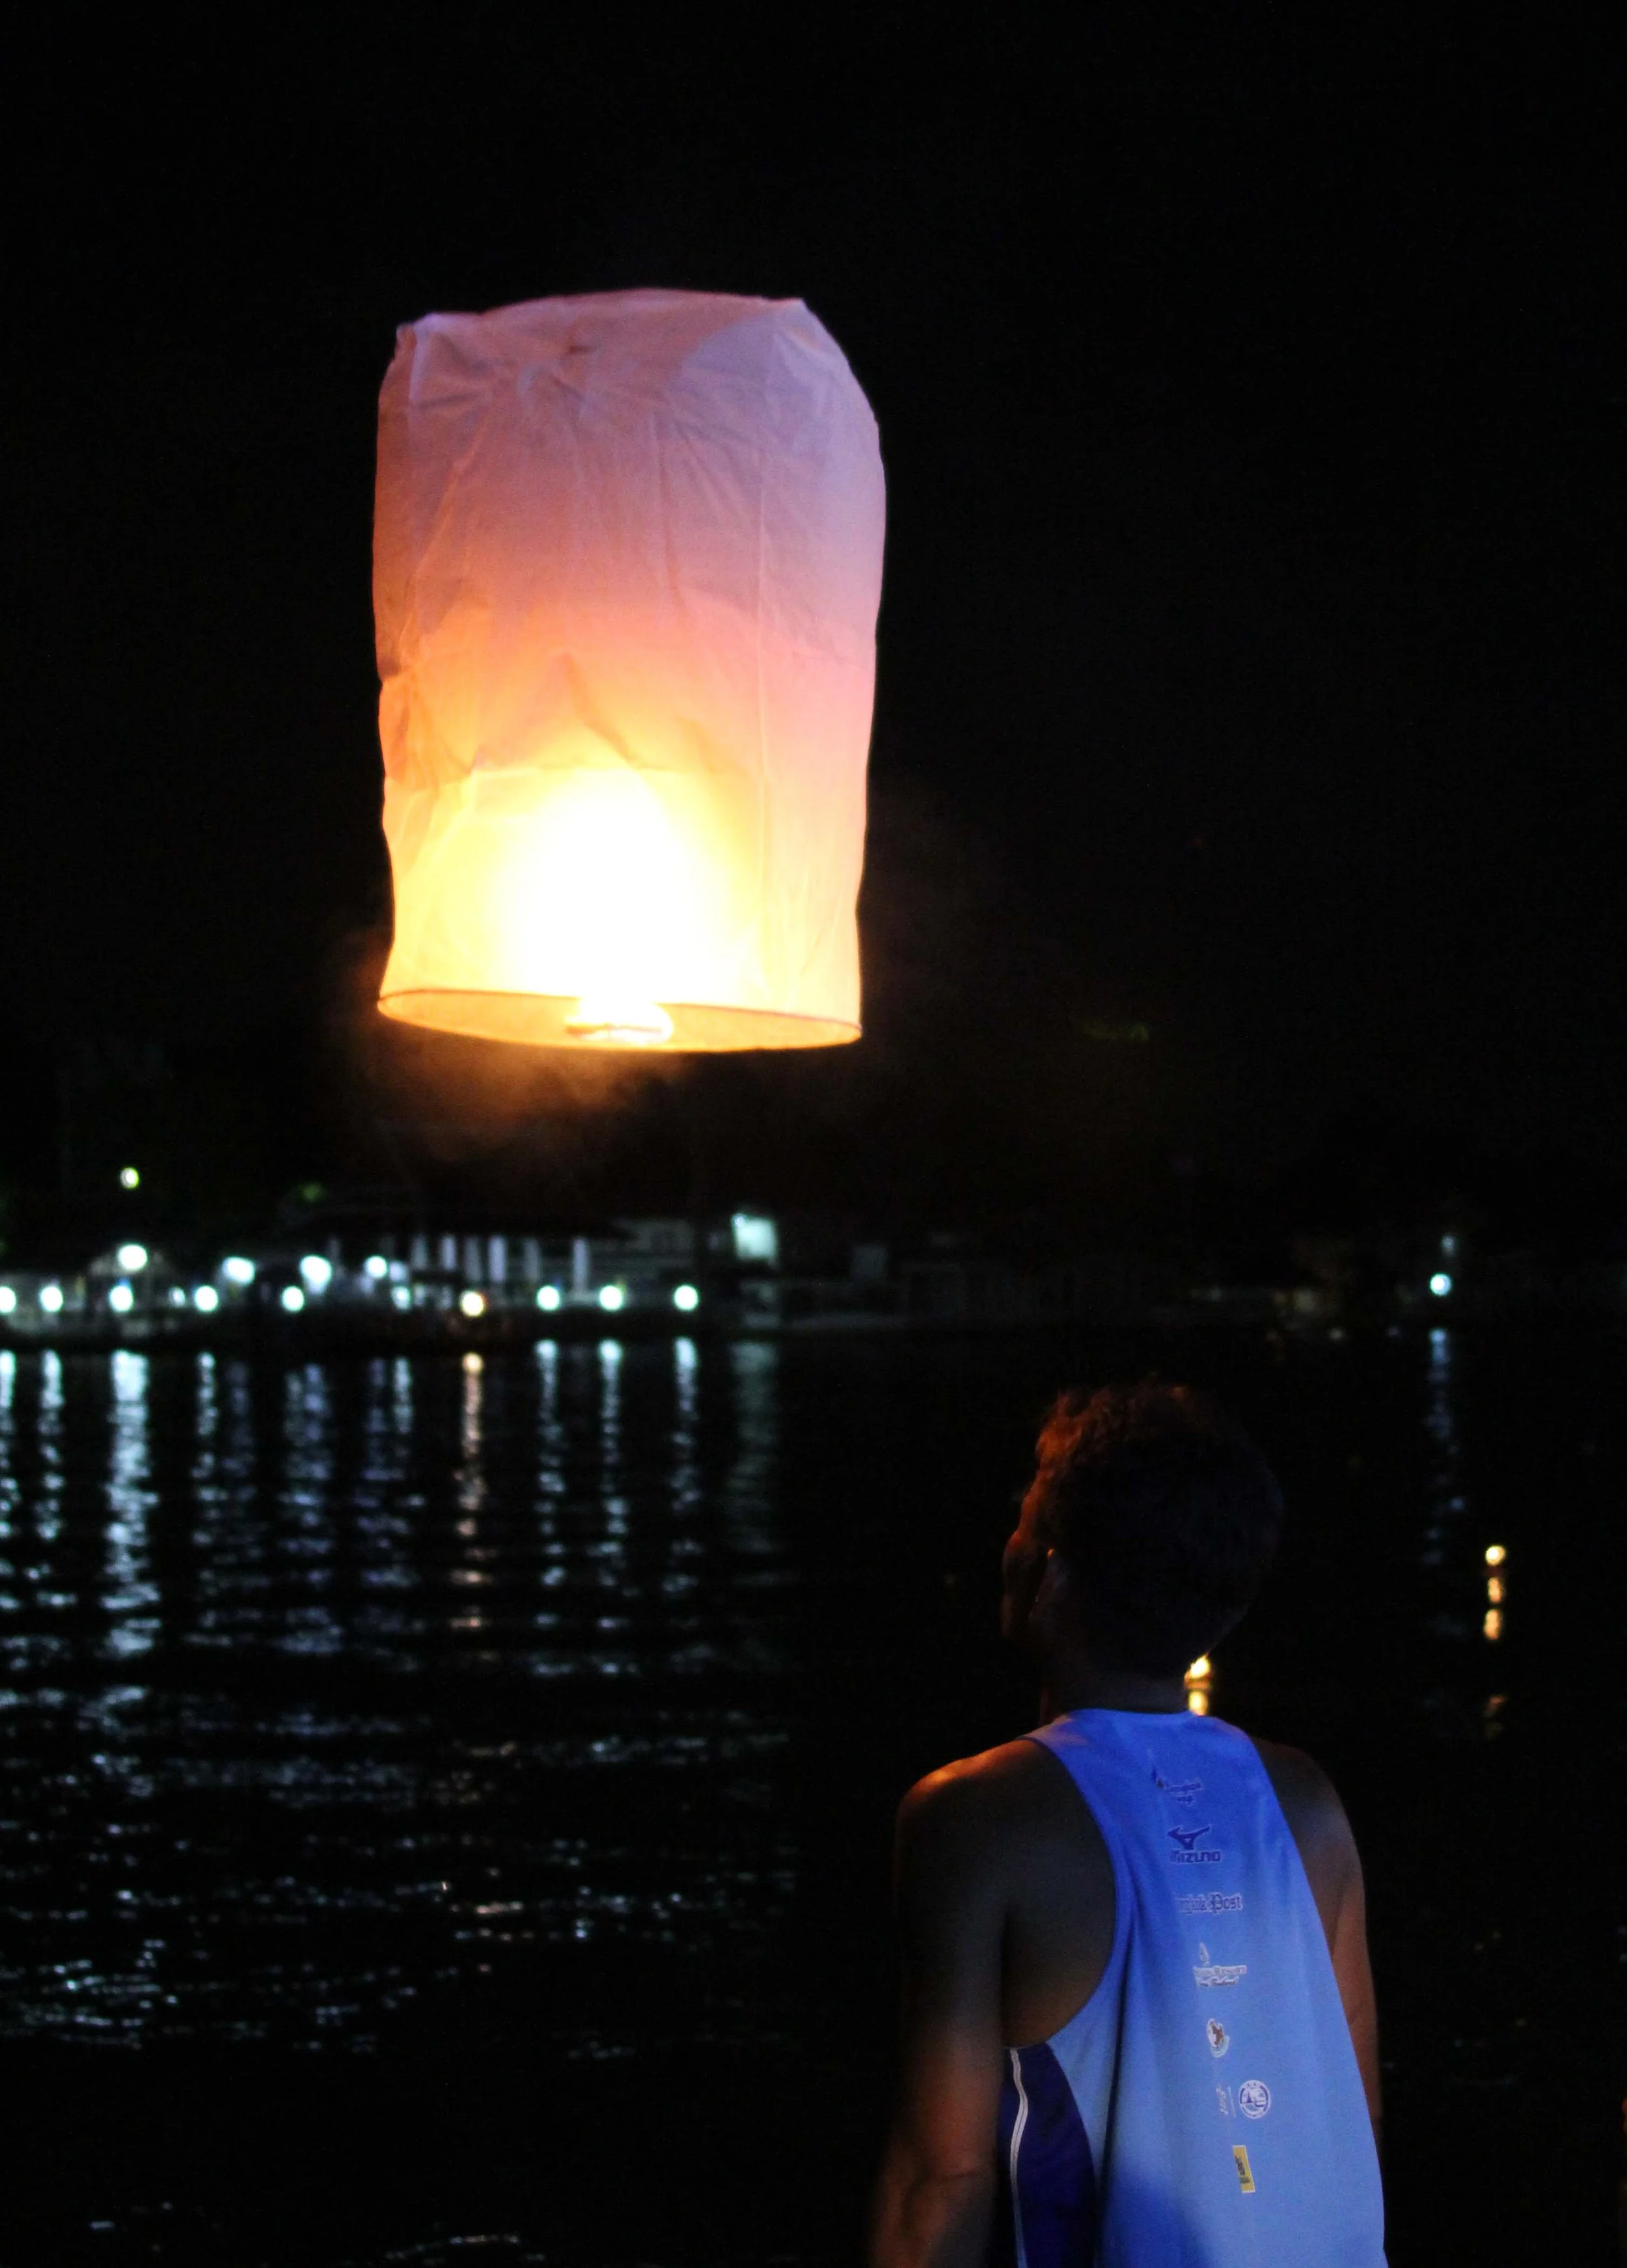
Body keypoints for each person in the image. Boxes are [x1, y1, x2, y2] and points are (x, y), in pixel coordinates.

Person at [870, 1381, 1385, 2267]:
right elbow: (1353, 2111)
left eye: (1026, 1523)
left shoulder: (976, 1818)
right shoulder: (1307, 1802)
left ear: (1052, 1572)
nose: (1011, 1544)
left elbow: (942, 2180)